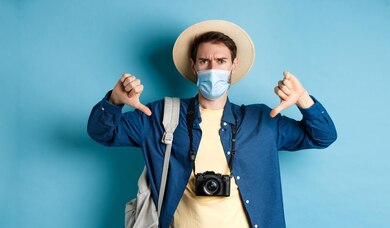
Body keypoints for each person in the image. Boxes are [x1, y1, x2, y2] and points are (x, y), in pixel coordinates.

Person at [87, 20, 337, 228]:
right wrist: (114, 101)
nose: (213, 68)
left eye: (221, 61)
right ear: (194, 66)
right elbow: (102, 132)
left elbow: (323, 136)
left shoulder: (262, 121)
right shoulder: (163, 115)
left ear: (233, 66)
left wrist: (303, 99)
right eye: (204, 61)